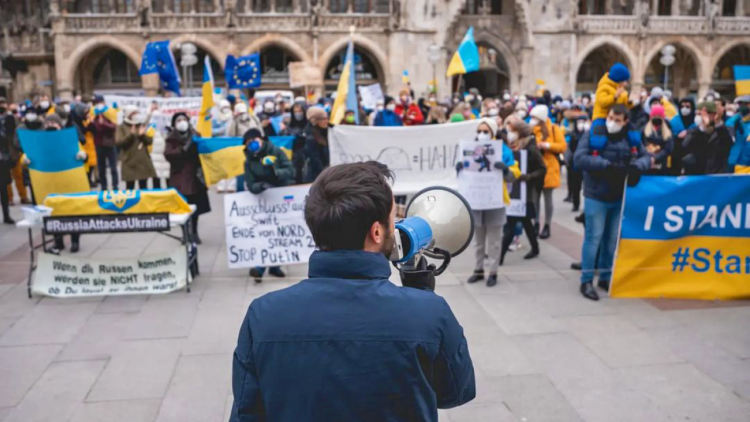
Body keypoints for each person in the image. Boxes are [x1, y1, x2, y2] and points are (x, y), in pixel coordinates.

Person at [229, 161, 475, 421]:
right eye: (393, 217)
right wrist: (421, 297)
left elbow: (246, 413)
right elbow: (456, 392)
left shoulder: (263, 315)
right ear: (377, 232)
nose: (398, 224)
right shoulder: (430, 313)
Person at [574, 104, 652, 301]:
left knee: (611, 240)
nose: (612, 123)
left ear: (626, 122)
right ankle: (586, 280)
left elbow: (646, 157)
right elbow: (579, 158)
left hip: (619, 195)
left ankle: (606, 276)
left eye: (617, 120)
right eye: (610, 118)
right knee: (594, 238)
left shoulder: (632, 136)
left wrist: (636, 167)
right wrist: (606, 165)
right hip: (596, 195)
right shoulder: (595, 132)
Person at [458, 118, 519, 287]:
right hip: (476, 202)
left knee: (494, 241)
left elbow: (515, 172)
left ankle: (493, 272)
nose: (482, 134)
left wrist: (506, 169)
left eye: (485, 131)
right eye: (479, 131)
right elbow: (465, 169)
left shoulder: (503, 150)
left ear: (492, 132)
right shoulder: (471, 148)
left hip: (495, 201)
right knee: (478, 241)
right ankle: (478, 270)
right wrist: (460, 168)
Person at [242, 128, 295, 283]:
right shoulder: (249, 161)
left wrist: (275, 171)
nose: (253, 144)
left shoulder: (276, 151)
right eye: (249, 142)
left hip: (280, 198)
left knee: (279, 233)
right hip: (263, 201)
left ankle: (273, 266)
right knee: (266, 233)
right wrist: (261, 186)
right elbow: (251, 183)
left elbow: (290, 170)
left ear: (262, 139)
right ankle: (260, 267)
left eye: (255, 140)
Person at [499, 117, 546, 264]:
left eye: (512, 130)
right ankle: (535, 247)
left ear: (520, 132)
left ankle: (499, 257)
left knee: (511, 224)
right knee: (525, 222)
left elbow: (542, 169)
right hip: (517, 191)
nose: (510, 133)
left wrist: (528, 177)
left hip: (525, 192)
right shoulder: (515, 146)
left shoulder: (531, 148)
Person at [41, 114, 87, 252]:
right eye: (47, 124)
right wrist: (25, 160)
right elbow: (32, 153)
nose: (50, 126)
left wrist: (83, 155)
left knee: (71, 212)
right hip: (51, 182)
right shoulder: (41, 141)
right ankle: (58, 241)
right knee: (54, 213)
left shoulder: (68, 138)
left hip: (69, 182)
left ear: (60, 125)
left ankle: (74, 241)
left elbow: (81, 150)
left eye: (52, 123)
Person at [164, 112, 211, 244]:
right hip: (179, 178)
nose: (182, 122)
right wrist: (184, 148)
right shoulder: (171, 138)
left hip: (195, 176)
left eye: (184, 119)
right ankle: (185, 233)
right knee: (183, 208)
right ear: (174, 124)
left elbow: (204, 152)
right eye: (178, 120)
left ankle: (194, 232)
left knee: (196, 207)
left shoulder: (195, 135)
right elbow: (169, 155)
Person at [529, 105, 566, 239]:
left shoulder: (554, 129)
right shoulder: (530, 130)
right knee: (535, 198)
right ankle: (536, 223)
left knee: (547, 198)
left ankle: (547, 225)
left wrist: (547, 145)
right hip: (534, 168)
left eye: (534, 117)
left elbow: (562, 146)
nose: (531, 120)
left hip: (549, 167)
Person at [682, 101, 733, 175]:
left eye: (702, 114)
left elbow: (727, 144)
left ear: (713, 114)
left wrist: (718, 122)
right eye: (697, 114)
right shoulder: (696, 130)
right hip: (697, 174)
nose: (700, 117)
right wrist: (703, 127)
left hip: (716, 174)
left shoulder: (723, 129)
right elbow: (686, 144)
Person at [116, 106, 156, 190]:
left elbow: (149, 141)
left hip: (142, 162)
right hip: (129, 162)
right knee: (130, 188)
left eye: (137, 112)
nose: (136, 115)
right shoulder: (122, 127)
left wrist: (142, 135)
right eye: (134, 113)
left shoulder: (141, 125)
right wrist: (131, 135)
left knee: (143, 188)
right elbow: (119, 142)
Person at [89, 96, 119, 190]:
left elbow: (113, 127)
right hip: (99, 144)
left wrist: (104, 123)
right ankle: (104, 186)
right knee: (101, 168)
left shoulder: (109, 115)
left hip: (110, 144)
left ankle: (115, 186)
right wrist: (92, 122)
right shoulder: (94, 117)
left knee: (113, 167)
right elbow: (91, 129)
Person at [641, 104, 674, 174]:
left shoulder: (668, 131)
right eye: (654, 115)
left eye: (659, 116)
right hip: (647, 162)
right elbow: (641, 145)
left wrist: (655, 158)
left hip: (662, 164)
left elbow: (668, 149)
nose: (656, 118)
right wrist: (649, 157)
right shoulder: (644, 130)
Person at [567, 115, 589, 212]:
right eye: (578, 122)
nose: (580, 124)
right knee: (576, 185)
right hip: (575, 163)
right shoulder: (573, 134)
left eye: (582, 121)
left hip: (586, 163)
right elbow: (571, 148)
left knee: (587, 185)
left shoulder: (588, 134)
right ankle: (576, 203)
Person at [303, 106, 329, 182]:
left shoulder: (326, 132)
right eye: (323, 119)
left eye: (327, 118)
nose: (326, 121)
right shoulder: (310, 137)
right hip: (316, 175)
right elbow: (315, 159)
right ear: (315, 121)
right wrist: (324, 174)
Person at [0, 97, 16, 223]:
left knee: (3, 188)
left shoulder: (7, 119)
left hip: (2, 158)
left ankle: (6, 214)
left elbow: (8, 137)